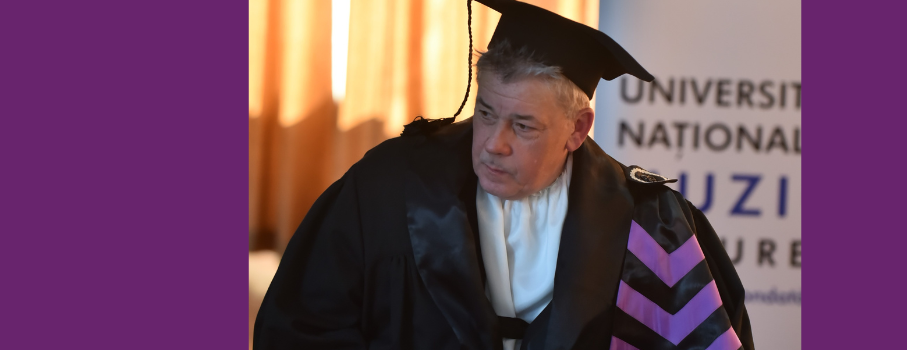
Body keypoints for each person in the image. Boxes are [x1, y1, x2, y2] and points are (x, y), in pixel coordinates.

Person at [253, 1, 753, 349]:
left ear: (577, 129)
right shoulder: (387, 188)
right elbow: (302, 327)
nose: (494, 142)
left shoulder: (650, 223)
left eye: (523, 125)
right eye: (487, 112)